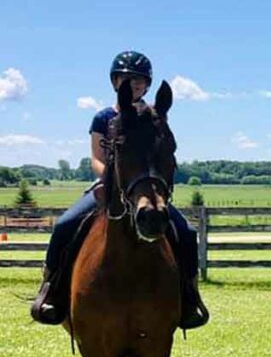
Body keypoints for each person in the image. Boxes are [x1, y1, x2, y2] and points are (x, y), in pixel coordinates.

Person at [30, 51, 209, 329]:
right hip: (109, 186)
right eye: (127, 79)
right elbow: (96, 158)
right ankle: (50, 290)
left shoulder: (153, 117)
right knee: (64, 225)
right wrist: (109, 182)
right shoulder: (103, 117)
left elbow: (156, 155)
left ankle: (189, 295)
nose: (133, 84)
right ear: (116, 82)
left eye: (139, 80)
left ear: (147, 85)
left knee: (184, 232)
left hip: (145, 189)